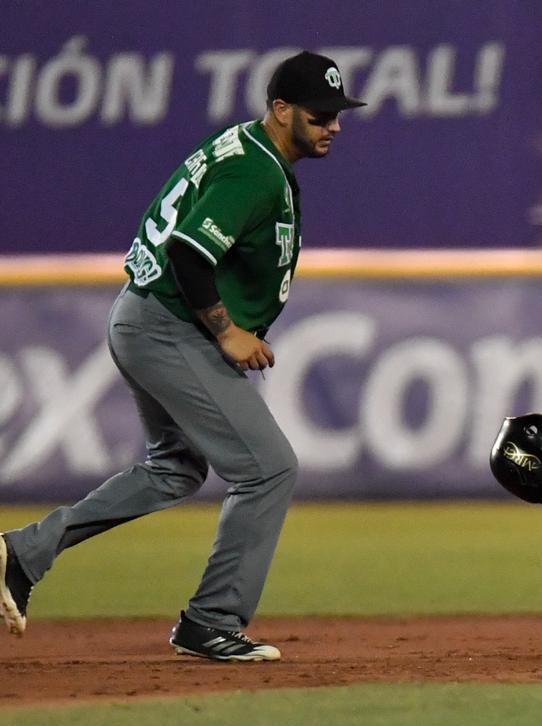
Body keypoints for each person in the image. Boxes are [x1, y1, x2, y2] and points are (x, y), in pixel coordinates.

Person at [0, 51, 365, 662]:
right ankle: (211, 620)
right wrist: (226, 331)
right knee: (269, 468)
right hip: (171, 326)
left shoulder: (248, 149)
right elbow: (190, 254)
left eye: (337, 114)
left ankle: (23, 553)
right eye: (319, 114)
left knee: (175, 469)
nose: (333, 125)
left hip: (146, 317)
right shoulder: (255, 171)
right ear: (281, 110)